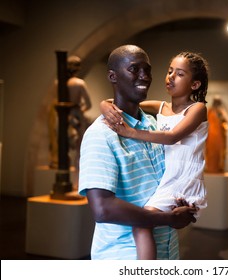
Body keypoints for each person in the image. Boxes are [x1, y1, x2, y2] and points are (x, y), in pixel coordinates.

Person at [78, 45, 197, 260]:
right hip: (123, 256)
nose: (144, 76)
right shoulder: (100, 134)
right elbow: (102, 209)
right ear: (113, 76)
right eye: (134, 69)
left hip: (167, 252)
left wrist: (181, 201)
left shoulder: (154, 125)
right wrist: (168, 219)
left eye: (147, 69)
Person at [48, 55, 92, 189]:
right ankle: (77, 183)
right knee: (79, 152)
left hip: (63, 117)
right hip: (75, 116)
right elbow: (88, 104)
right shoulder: (79, 83)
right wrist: (78, 110)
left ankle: (73, 182)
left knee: (64, 149)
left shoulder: (58, 83)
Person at [205, 95, 228, 173]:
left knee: (219, 152)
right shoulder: (210, 111)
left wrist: (222, 114)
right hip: (210, 136)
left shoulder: (221, 111)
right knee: (210, 152)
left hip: (219, 137)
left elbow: (227, 120)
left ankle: (219, 168)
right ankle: (210, 168)